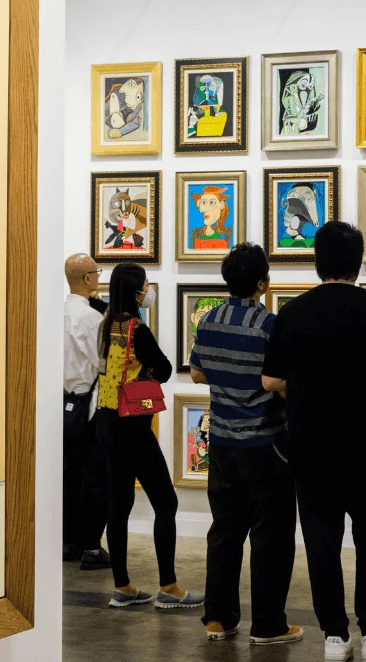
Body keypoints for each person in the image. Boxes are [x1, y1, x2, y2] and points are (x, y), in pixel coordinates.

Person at [262, 222, 366, 662]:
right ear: (359, 261)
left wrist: (306, 386)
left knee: (321, 544)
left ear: (317, 260)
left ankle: (334, 636)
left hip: (312, 449)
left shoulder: (294, 312)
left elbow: (270, 380)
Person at [190, 243, 300, 646]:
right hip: (265, 443)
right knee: (270, 535)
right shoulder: (270, 325)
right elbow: (279, 382)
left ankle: (218, 619)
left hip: (221, 442)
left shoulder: (209, 319)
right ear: (261, 283)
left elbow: (198, 374)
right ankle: (268, 625)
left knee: (225, 530)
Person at [96, 263, 203, 609]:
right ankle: (169, 586)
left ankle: (122, 586)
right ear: (135, 292)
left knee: (119, 503)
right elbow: (166, 369)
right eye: (145, 285)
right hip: (133, 425)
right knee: (166, 503)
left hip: (106, 420)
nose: (148, 291)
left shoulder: (106, 325)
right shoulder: (137, 330)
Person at [62, 254, 110, 570]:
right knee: (95, 477)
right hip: (88, 406)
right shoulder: (92, 320)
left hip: (61, 405)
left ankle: (68, 541)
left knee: (67, 474)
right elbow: (102, 363)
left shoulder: (56, 314)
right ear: (88, 278)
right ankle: (91, 546)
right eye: (97, 272)